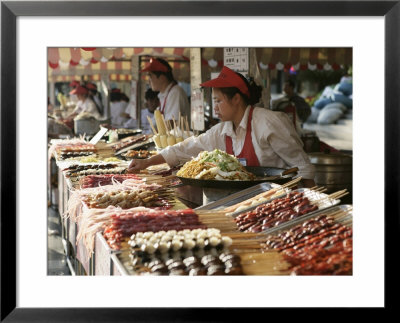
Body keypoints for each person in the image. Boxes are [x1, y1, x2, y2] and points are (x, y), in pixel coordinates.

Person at [128, 66, 316, 188]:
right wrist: (147, 162)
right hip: (244, 201)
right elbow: (187, 147)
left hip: (279, 202)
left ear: (236, 99)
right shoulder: (222, 130)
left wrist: (313, 206)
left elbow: (303, 168)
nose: (215, 107)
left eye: (218, 101)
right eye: (213, 101)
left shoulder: (268, 123)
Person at [141, 57, 190, 123]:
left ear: (162, 78)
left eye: (150, 76)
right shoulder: (164, 94)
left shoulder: (175, 92)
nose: (148, 81)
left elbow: (171, 123)